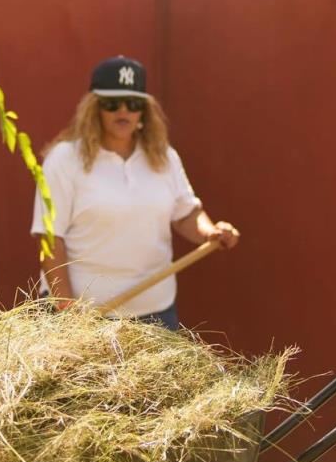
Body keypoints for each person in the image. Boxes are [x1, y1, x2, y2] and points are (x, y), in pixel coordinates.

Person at [30, 56, 239, 330]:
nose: (123, 112)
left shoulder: (164, 157)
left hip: (155, 317)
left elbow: (186, 212)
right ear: (94, 109)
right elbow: (49, 238)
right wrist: (67, 309)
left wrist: (209, 232)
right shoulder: (65, 159)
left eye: (134, 104)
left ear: (145, 111)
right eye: (112, 104)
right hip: (83, 317)